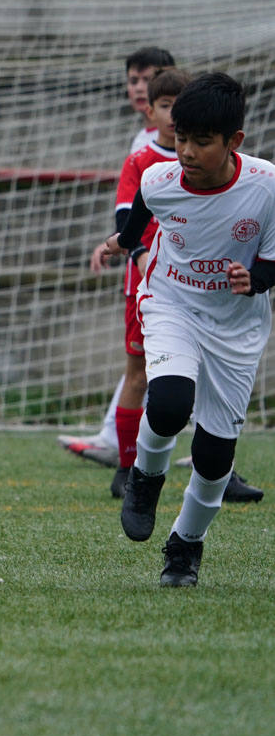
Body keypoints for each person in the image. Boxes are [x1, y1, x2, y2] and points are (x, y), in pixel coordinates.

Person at [101, 72, 275, 586]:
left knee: (215, 455)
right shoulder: (159, 179)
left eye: (202, 142)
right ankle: (145, 477)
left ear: (234, 142)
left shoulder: (266, 187)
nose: (187, 152)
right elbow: (137, 222)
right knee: (171, 402)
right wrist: (118, 242)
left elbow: (273, 262)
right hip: (171, 300)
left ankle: (186, 545)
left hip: (236, 327)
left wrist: (256, 278)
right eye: (181, 138)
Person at [59, 46, 174, 461]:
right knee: (142, 365)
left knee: (189, 365)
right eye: (135, 80)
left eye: (152, 79)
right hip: (147, 270)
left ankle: (210, 455)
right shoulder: (142, 150)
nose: (141, 88)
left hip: (191, 270)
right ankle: (123, 452)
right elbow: (132, 210)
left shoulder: (198, 145)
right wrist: (129, 245)